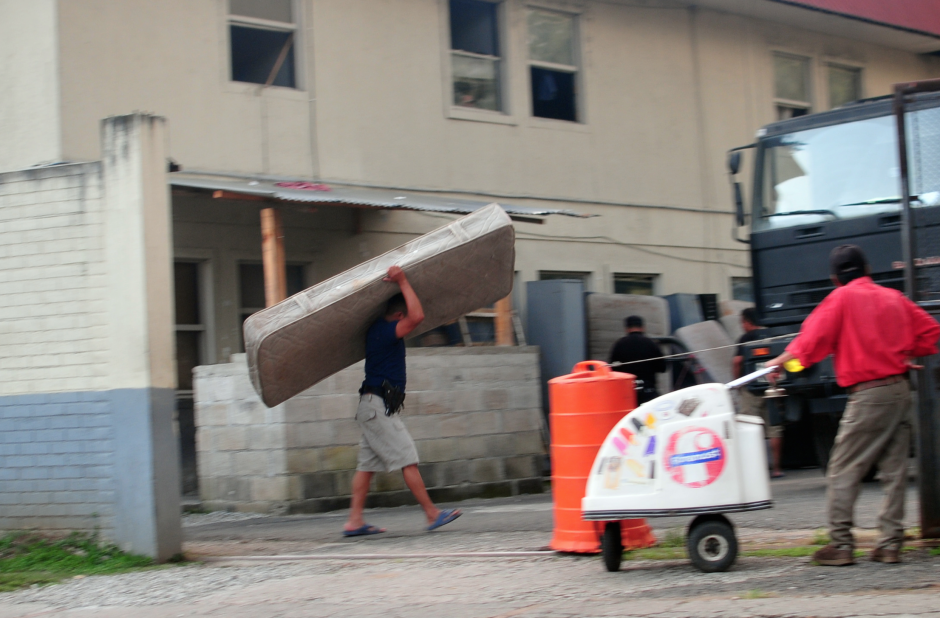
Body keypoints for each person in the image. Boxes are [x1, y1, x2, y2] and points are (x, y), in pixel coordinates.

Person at [765, 245, 939, 566]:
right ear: (868, 268)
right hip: (900, 390)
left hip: (869, 394)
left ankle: (841, 545)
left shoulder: (840, 298)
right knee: (894, 470)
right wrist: (905, 352)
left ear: (834, 278)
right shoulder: (894, 298)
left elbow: (811, 341)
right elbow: (930, 330)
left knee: (843, 468)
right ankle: (889, 544)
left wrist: (780, 361)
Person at [342, 265, 462, 537]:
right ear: (397, 316)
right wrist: (403, 281)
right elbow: (417, 316)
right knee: (408, 458)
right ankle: (432, 513)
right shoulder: (385, 331)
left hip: (374, 406)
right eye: (402, 319)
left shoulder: (378, 330)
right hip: (377, 407)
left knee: (367, 466)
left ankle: (354, 521)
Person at [733, 307, 784, 478]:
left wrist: (738, 382)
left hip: (751, 389)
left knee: (749, 427)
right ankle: (776, 468)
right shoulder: (770, 334)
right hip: (771, 387)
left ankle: (754, 470)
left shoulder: (745, 338)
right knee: (774, 428)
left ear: (747, 322)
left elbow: (737, 361)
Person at [609, 315, 667, 404]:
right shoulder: (651, 344)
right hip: (648, 392)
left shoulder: (619, 344)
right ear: (643, 327)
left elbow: (612, 369)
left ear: (627, 328)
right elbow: (662, 368)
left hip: (626, 394)